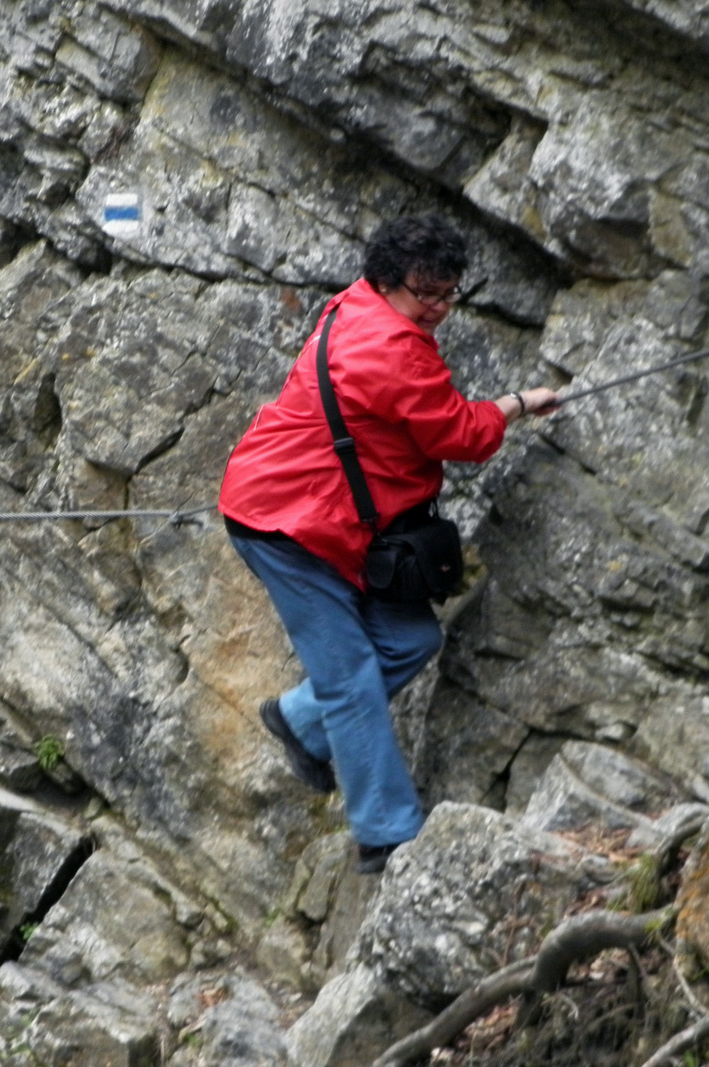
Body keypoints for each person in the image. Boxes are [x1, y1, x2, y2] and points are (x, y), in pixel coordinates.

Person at [219, 215, 560, 875]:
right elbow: (460, 436)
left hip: (318, 512)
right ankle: (387, 832)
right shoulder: (390, 347)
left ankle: (299, 720)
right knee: (348, 679)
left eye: (447, 293)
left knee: (411, 641)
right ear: (388, 280)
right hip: (284, 525)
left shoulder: (359, 305)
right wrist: (518, 403)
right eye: (423, 292)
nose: (436, 307)